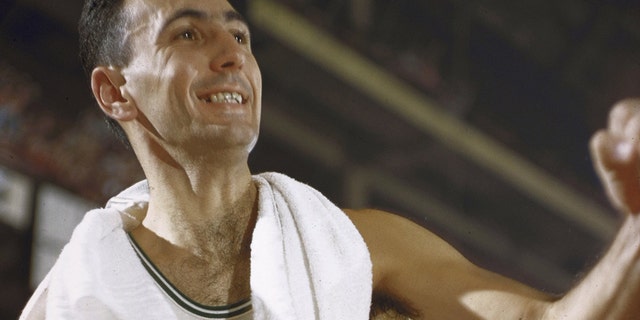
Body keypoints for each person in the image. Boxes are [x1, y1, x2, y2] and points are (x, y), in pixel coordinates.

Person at [19, 0, 640, 318]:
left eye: (239, 35)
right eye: (187, 33)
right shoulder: (78, 294)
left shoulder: (362, 247)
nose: (232, 54)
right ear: (114, 91)